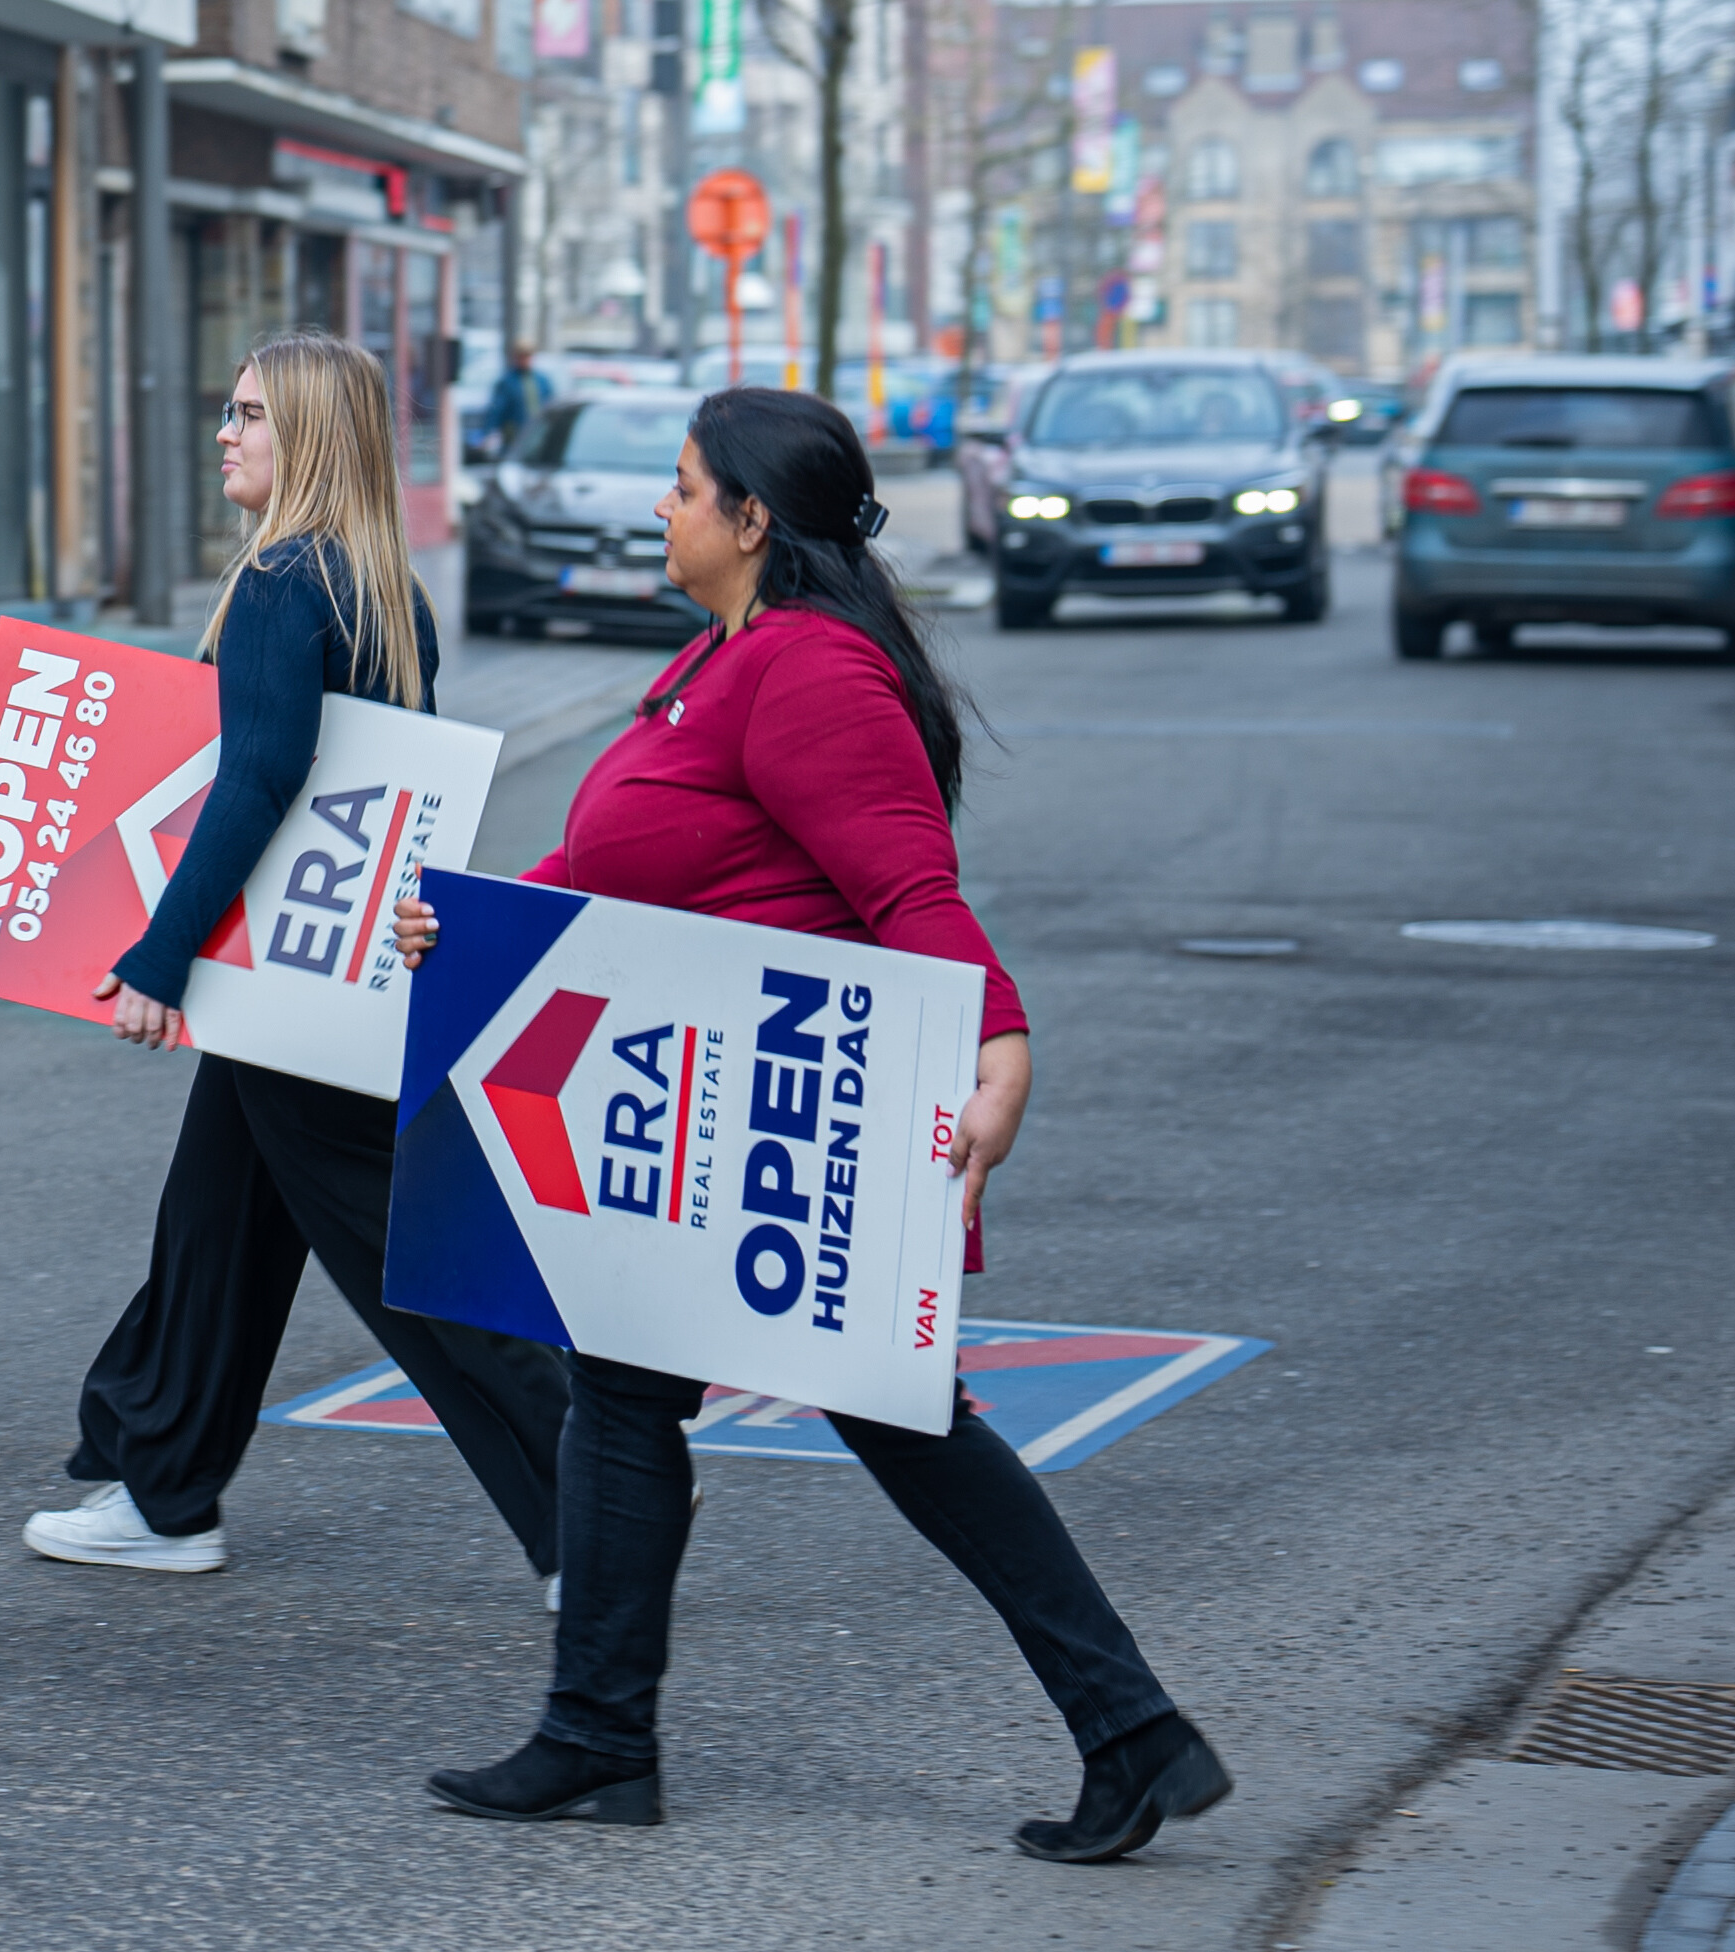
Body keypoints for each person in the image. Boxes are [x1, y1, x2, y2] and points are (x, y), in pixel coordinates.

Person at [394, 387, 1231, 1861]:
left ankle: (1130, 1732)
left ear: (751, 522)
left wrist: (1001, 1040)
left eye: (680, 486)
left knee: (892, 1421)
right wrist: (476, 925)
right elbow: (626, 855)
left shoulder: (810, 674)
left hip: (790, 1120)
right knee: (638, 1395)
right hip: (714, 1117)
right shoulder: (719, 656)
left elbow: (914, 890)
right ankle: (604, 1739)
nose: (658, 508)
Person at [22, 329, 572, 1590]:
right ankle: (166, 1492)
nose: (226, 429)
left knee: (391, 1246)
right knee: (217, 1220)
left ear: (311, 438)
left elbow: (256, 781)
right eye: (228, 408)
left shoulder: (282, 583)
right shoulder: (382, 590)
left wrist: (161, 957)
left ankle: (588, 1503)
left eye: (252, 414)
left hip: (295, 973)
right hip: (334, 962)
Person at [476, 342, 553, 461]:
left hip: (538, 435)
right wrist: (488, 433)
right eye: (522, 356)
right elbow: (496, 409)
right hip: (514, 436)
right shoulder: (508, 381)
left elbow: (550, 405)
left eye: (528, 356)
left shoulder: (542, 380)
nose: (525, 360)